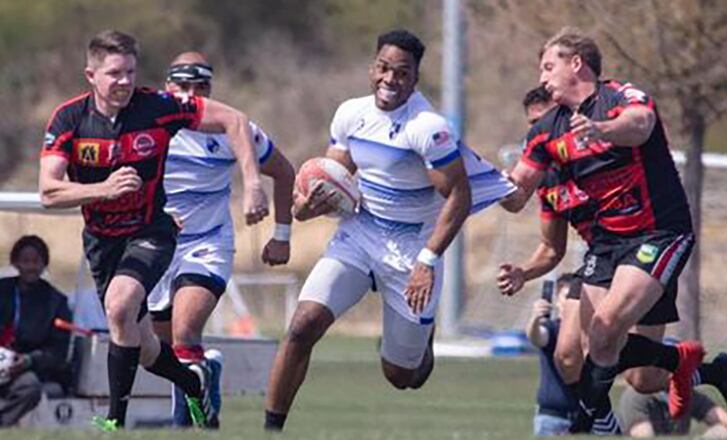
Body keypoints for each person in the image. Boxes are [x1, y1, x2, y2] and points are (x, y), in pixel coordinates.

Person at [265, 28, 524, 431]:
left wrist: (427, 261)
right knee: (302, 326)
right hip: (359, 235)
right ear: (373, 68)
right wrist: (306, 207)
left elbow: (460, 196)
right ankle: (268, 431)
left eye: (401, 73)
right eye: (384, 68)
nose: (390, 79)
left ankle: (420, 348)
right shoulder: (351, 113)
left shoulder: (427, 127)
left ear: (414, 79)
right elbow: (335, 176)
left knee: (402, 377)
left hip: (413, 250)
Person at [38, 30, 268, 431]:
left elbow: (235, 120)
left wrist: (251, 184)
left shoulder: (159, 107)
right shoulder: (69, 119)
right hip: (102, 241)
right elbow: (48, 192)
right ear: (90, 75)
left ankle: (114, 422)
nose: (124, 81)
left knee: (119, 305)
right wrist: (101, 190)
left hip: (152, 231)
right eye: (114, 74)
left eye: (130, 71)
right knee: (142, 344)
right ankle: (192, 381)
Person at [508, 27, 703, 433]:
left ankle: (600, 424)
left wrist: (602, 129)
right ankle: (696, 368)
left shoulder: (619, 97)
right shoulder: (546, 132)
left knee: (608, 333)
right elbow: (516, 193)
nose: (542, 78)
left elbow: (642, 123)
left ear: (575, 63)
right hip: (608, 245)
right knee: (589, 354)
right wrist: (466, 177)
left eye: (549, 66)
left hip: (658, 234)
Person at [146, 51, 295, 428]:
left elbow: (284, 171)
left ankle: (188, 425)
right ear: (168, 87)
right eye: (184, 86)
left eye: (202, 87)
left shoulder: (234, 129)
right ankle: (206, 374)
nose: (193, 94)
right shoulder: (149, 124)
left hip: (206, 244)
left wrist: (281, 235)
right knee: (163, 351)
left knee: (185, 332)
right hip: (157, 246)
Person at [0, 236, 71, 427]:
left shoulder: (57, 302)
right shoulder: (2, 289)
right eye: (25, 261)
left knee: (30, 388)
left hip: (24, 368)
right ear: (15, 262)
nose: (31, 267)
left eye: (36, 261)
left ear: (44, 264)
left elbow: (58, 351)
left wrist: (28, 360)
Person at [526, 273, 581, 436]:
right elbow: (537, 337)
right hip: (552, 418)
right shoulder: (553, 329)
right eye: (566, 297)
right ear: (557, 301)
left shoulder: (590, 333)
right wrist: (535, 319)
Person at [618, 384, 727, 437]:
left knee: (722, 431)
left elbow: (722, 418)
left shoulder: (685, 394)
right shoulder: (636, 396)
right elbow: (644, 435)